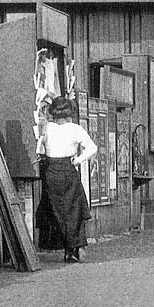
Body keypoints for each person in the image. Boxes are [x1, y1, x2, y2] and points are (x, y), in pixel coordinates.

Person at [36, 96, 98, 263]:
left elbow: (40, 147)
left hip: (51, 171)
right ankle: (74, 248)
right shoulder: (75, 129)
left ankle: (65, 247)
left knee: (55, 211)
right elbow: (92, 148)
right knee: (73, 210)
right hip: (68, 171)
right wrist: (77, 160)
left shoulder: (48, 128)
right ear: (69, 111)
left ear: (53, 112)